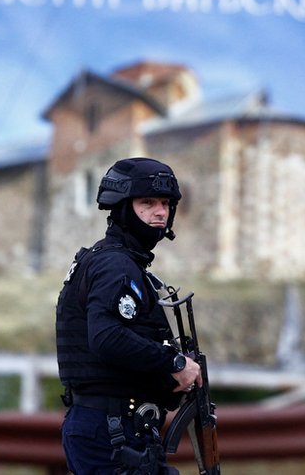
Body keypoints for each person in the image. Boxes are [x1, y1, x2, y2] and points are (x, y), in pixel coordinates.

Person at [56, 157, 203, 475]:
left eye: (165, 203)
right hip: (111, 432)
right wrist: (173, 363)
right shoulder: (115, 266)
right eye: (147, 202)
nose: (160, 211)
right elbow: (106, 338)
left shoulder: (119, 263)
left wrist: (169, 381)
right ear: (122, 207)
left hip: (116, 428)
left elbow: (120, 356)